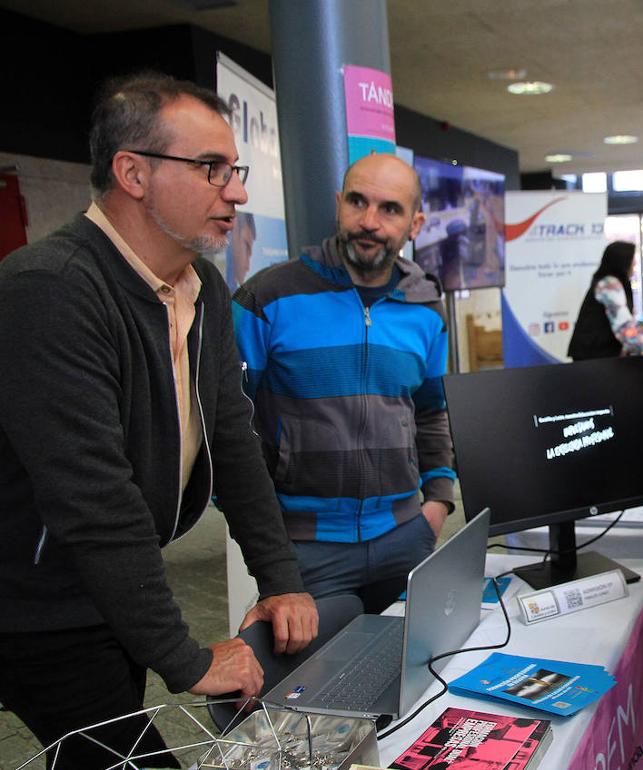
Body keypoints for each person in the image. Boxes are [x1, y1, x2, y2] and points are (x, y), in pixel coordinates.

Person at [0, 72, 317, 768]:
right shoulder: (49, 291)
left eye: (234, 170)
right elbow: (94, 503)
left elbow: (233, 442)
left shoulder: (201, 286)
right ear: (133, 172)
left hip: (111, 593)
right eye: (211, 169)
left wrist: (281, 577)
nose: (235, 191)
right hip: (38, 606)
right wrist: (185, 657)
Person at [233, 152, 456, 614]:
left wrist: (438, 501)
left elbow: (432, 410)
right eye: (357, 202)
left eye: (389, 209)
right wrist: (266, 536)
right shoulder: (267, 298)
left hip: (405, 537)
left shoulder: (426, 310)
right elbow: (227, 424)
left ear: (415, 224)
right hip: (304, 548)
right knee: (305, 684)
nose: (369, 221)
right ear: (339, 204)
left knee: (413, 678)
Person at [567, 240, 643, 360]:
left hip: (598, 353)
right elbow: (623, 323)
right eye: (632, 259)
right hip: (593, 355)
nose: (634, 263)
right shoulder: (608, 285)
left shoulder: (615, 282)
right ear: (622, 261)